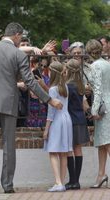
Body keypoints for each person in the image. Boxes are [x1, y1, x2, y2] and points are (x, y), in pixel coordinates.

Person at [0, 22, 63, 194]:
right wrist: (50, 100)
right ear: (16, 35)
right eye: (21, 37)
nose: (20, 40)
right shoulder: (18, 54)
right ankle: (7, 185)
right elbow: (30, 81)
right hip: (9, 100)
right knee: (8, 146)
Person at [43, 61, 73, 192]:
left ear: (52, 72)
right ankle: (62, 181)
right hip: (67, 119)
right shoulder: (65, 87)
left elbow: (51, 112)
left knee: (53, 151)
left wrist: (46, 129)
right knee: (64, 153)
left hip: (57, 120)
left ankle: (58, 182)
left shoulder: (52, 89)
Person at [85, 39, 110, 188]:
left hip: (103, 107)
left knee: (107, 143)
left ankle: (101, 175)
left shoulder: (94, 66)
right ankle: (101, 175)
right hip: (108, 103)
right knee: (102, 142)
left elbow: (98, 90)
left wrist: (94, 110)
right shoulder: (107, 64)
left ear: (88, 52)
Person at [65, 59, 90, 190]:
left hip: (71, 120)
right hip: (81, 119)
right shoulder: (80, 85)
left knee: (69, 149)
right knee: (78, 149)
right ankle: (77, 181)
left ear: (68, 70)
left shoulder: (68, 86)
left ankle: (72, 180)